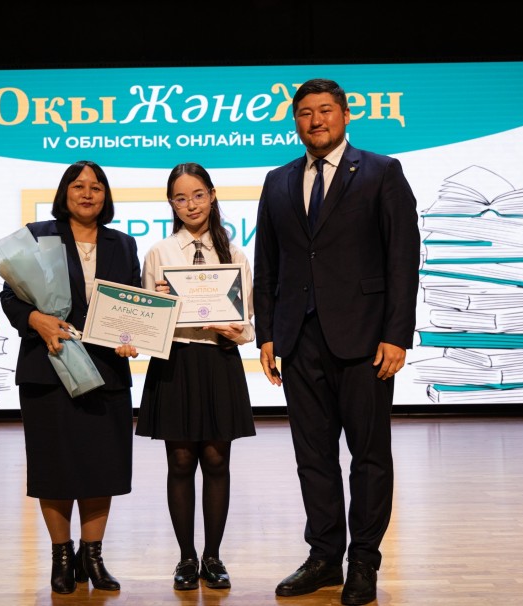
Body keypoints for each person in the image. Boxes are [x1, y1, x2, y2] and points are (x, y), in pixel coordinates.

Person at [252, 79, 421, 606]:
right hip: (298, 339)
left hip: (365, 339)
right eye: (305, 113)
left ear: (346, 115)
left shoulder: (381, 171)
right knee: (313, 457)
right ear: (295, 122)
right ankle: (324, 557)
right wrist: (266, 333)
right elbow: (267, 263)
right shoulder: (278, 180)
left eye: (325, 110)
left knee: (369, 456)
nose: (315, 120)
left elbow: (402, 258)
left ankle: (363, 561)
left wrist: (397, 334)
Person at [0, 160, 142, 595]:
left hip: (106, 371)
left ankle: (92, 556)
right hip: (49, 367)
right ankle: (61, 556)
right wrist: (35, 319)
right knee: (54, 467)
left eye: (96, 187)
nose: (87, 193)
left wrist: (133, 335)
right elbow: (10, 297)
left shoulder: (123, 244)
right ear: (64, 193)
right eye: (78, 186)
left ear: (106, 196)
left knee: (103, 467)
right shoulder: (38, 236)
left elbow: (133, 303)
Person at [128, 162, 257, 591]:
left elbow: (248, 327)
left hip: (219, 361)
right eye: (181, 198)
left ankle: (213, 557)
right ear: (171, 203)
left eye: (198, 195)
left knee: (217, 460)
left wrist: (232, 328)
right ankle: (186, 558)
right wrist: (157, 306)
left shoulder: (235, 255)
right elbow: (146, 323)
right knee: (180, 461)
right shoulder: (159, 253)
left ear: (213, 196)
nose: (191, 205)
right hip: (176, 362)